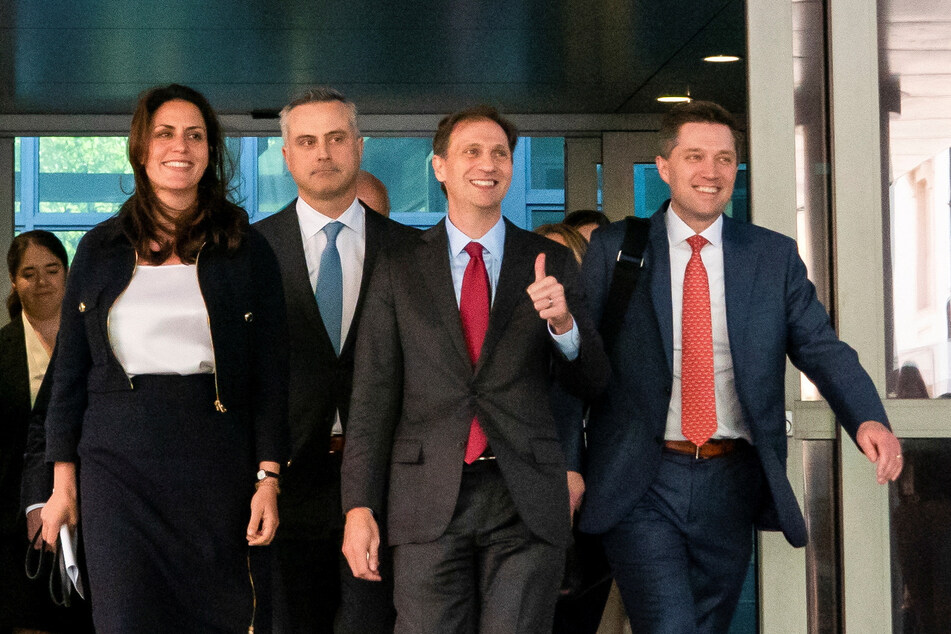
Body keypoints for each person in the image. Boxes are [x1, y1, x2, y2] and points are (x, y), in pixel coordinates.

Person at [567, 100, 903, 632]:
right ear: (664, 166)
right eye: (695, 156)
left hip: (731, 478)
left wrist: (866, 416)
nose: (712, 172)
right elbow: (579, 368)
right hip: (642, 478)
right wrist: (569, 462)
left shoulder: (772, 256)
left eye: (725, 159)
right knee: (669, 625)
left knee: (706, 625)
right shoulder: (615, 249)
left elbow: (820, 346)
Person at [340, 105, 610, 633]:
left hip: (525, 496)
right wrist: (358, 507)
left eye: (501, 153)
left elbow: (593, 381)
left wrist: (563, 325)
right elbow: (372, 397)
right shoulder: (398, 266)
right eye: (472, 151)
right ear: (439, 166)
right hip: (426, 498)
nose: (488, 164)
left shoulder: (548, 260)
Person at [39, 83, 289, 632]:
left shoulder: (247, 249)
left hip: (217, 467)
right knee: (127, 618)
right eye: (166, 134)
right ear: (141, 148)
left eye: (195, 135)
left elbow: (272, 376)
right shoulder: (99, 248)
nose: (181, 147)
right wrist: (62, 487)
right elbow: (68, 377)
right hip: (116, 471)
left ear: (210, 150)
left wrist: (268, 477)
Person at [254, 87, 414, 633]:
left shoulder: (413, 252)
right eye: (307, 141)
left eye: (336, 138)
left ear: (359, 147)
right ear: (286, 157)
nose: (323, 152)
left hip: (386, 482)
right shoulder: (248, 251)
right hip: (285, 479)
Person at [0, 231, 91, 632]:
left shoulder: (98, 344)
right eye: (29, 273)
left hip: (88, 514)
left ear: (68, 274)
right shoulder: (1, 349)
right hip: (12, 524)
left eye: (52, 269)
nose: (42, 282)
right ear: (13, 283)